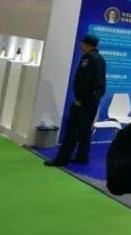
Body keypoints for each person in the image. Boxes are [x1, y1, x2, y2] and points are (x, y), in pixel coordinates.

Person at [45, 34, 106, 167]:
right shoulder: (100, 59)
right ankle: (82, 157)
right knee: (85, 130)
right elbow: (101, 83)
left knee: (72, 131)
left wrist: (79, 99)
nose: (80, 45)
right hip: (93, 101)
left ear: (86, 44)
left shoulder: (88, 58)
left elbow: (83, 82)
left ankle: (61, 159)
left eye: (82, 43)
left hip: (83, 102)